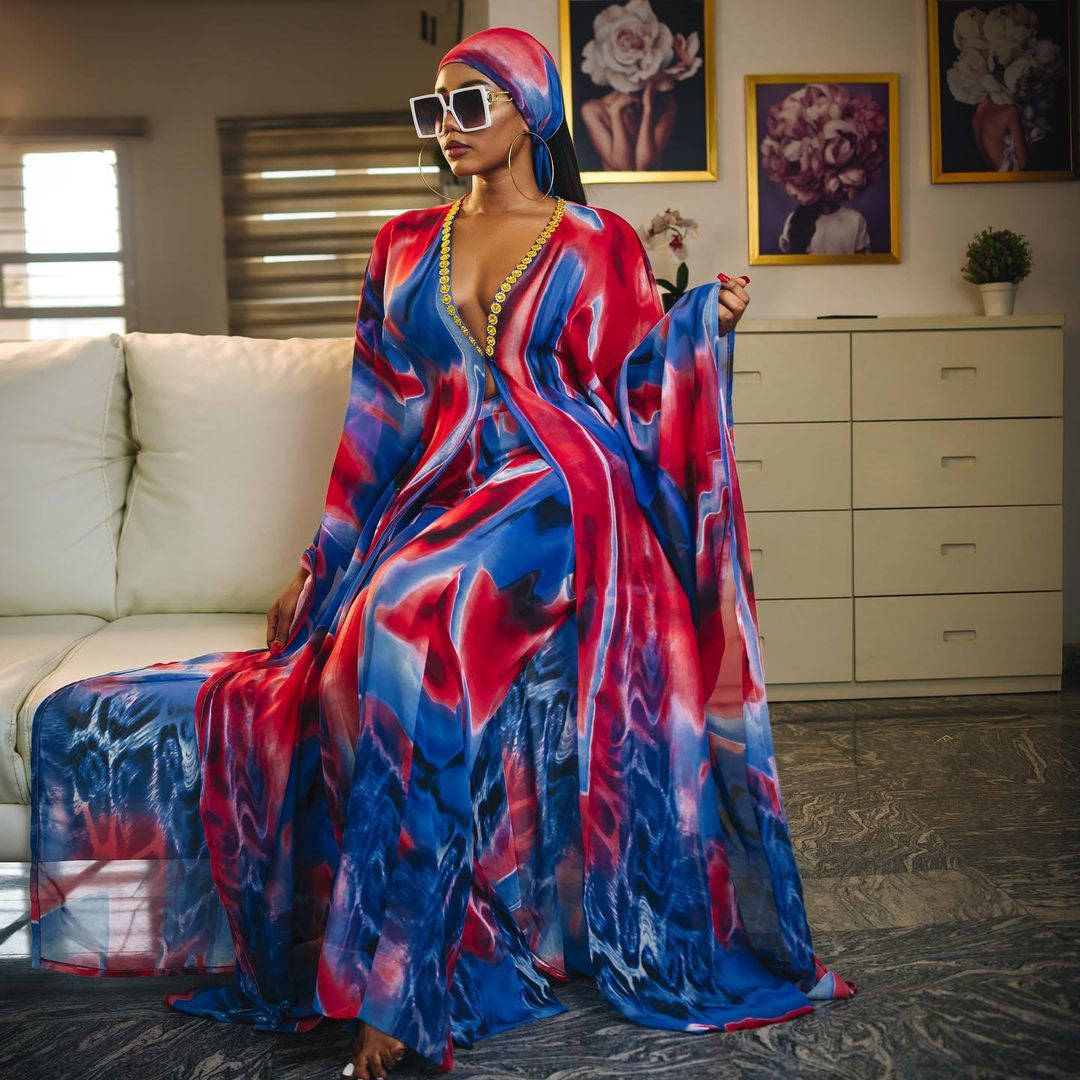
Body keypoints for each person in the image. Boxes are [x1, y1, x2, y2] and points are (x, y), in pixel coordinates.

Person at [28, 26, 856, 1080]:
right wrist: (317, 564)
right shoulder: (403, 242)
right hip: (444, 493)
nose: (447, 129)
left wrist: (707, 324)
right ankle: (400, 952)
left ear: (533, 116)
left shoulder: (594, 240)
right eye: (435, 109)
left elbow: (641, 382)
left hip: (565, 488)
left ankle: (398, 984)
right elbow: (374, 422)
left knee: (411, 623)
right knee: (349, 636)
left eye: (471, 105)